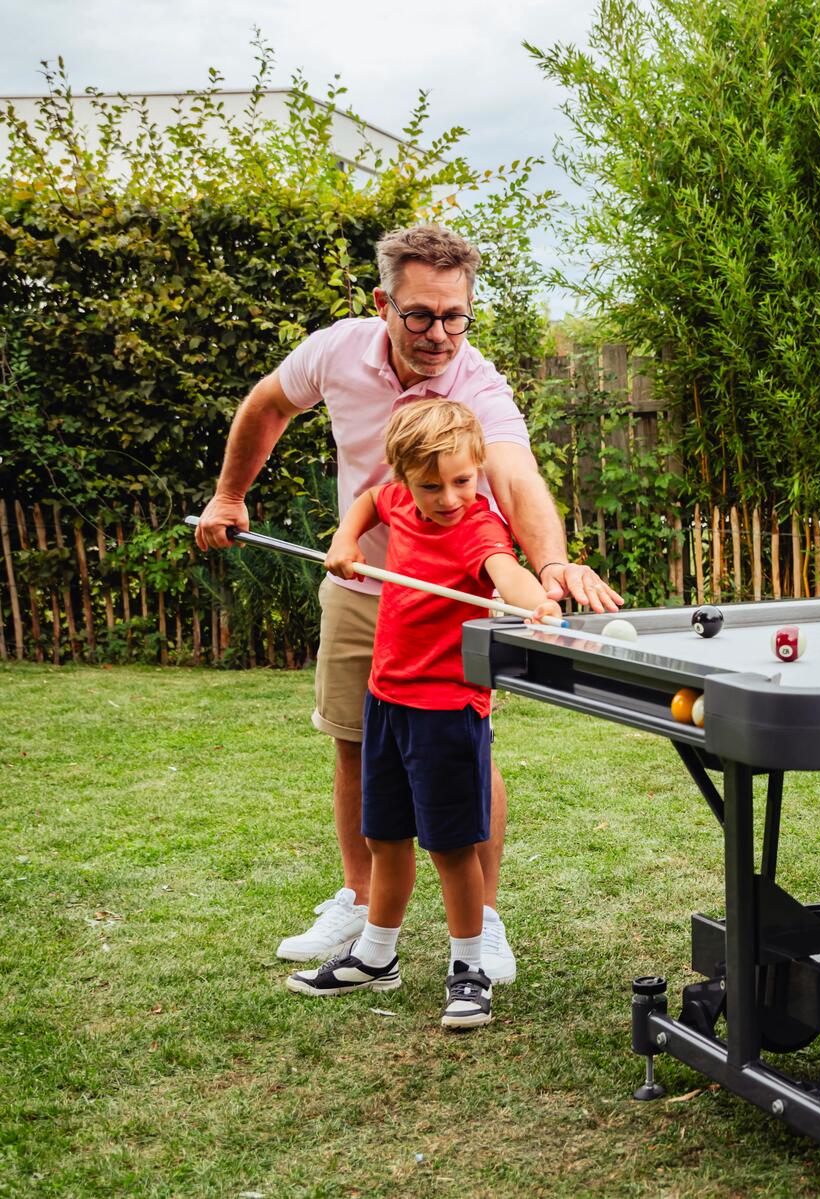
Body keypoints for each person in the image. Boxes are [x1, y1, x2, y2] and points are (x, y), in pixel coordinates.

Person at [194, 224, 622, 980]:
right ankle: (362, 905)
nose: (439, 334)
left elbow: (518, 479)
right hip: (362, 589)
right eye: (421, 314)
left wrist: (550, 564)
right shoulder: (335, 351)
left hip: (454, 599)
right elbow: (267, 405)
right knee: (355, 743)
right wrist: (231, 494)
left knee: (467, 752)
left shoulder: (478, 385)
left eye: (456, 315)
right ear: (382, 302)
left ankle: (481, 919)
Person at [287, 400, 560, 1028]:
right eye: (430, 484)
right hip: (387, 699)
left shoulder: (478, 528)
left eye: (462, 480)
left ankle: (469, 968)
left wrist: (536, 600)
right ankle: (376, 956)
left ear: (478, 469)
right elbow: (369, 503)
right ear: (406, 477)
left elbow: (505, 572)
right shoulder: (399, 502)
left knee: (451, 845)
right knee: (383, 836)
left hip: (446, 709)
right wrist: (344, 537)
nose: (447, 496)